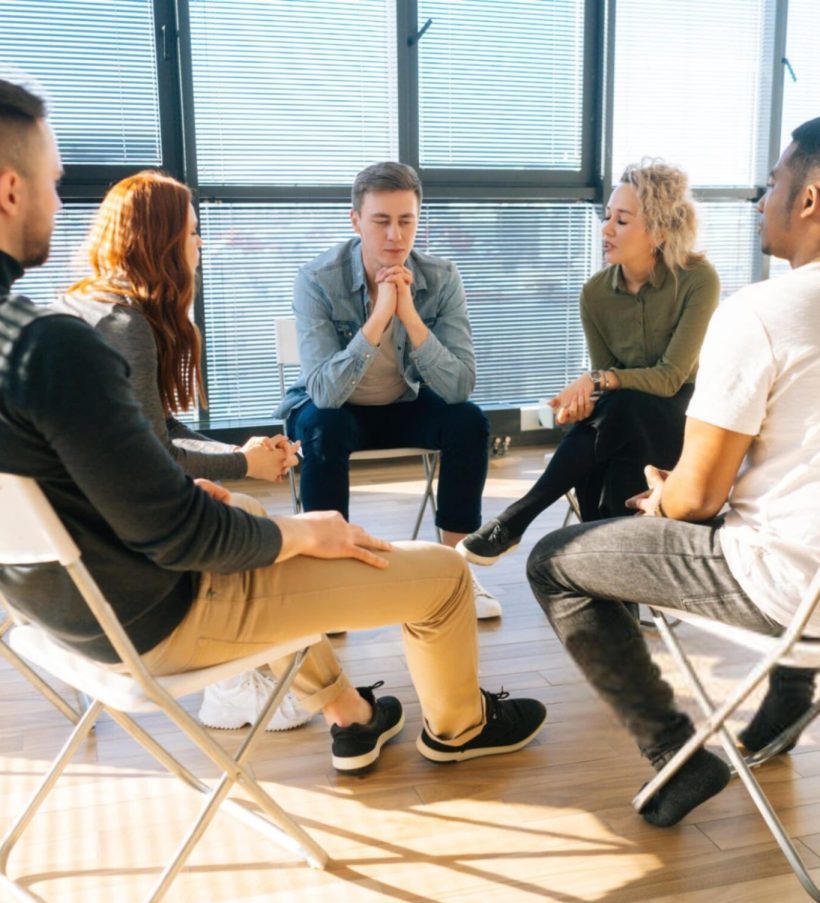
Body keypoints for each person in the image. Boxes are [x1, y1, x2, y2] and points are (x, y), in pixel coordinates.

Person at [0, 79, 546, 777]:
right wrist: (303, 533)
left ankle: (350, 716)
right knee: (442, 576)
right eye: (54, 181)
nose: (59, 200)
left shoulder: (45, 332)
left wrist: (234, 492)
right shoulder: (61, 345)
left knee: (267, 512)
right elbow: (176, 531)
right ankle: (461, 729)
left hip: (64, 625)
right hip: (154, 618)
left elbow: (128, 472)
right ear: (11, 190)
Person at [526, 118, 820, 828]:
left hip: (786, 583)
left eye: (774, 182)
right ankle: (790, 690)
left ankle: (674, 752)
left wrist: (664, 499)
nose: (760, 200)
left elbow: (696, 499)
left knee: (556, 563)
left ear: (811, 197)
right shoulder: (607, 292)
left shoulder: (761, 311)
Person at [54, 170, 309, 733]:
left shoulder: (85, 304)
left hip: (74, 527)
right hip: (116, 541)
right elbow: (156, 456)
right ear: (163, 241)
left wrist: (236, 451)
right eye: (192, 233)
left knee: (240, 510)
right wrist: (246, 464)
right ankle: (238, 686)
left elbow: (158, 425)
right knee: (253, 524)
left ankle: (254, 684)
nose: (200, 245)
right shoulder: (127, 325)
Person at [458, 160, 720, 566]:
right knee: (616, 429)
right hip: (624, 423)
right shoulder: (595, 294)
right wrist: (586, 399)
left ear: (659, 231)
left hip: (682, 419)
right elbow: (608, 387)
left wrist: (600, 381)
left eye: (622, 220)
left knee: (623, 412)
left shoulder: (698, 279)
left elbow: (670, 379)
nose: (606, 229)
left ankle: (517, 520)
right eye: (607, 216)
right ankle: (616, 585)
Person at [277, 161, 501, 619]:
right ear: (356, 220)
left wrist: (411, 318)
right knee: (323, 427)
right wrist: (379, 317)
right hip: (334, 410)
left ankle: (459, 571)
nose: (395, 235)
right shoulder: (318, 279)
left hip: (402, 405)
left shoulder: (440, 278)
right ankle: (327, 580)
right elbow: (323, 392)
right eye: (381, 221)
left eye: (406, 220)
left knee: (469, 422)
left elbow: (458, 387)